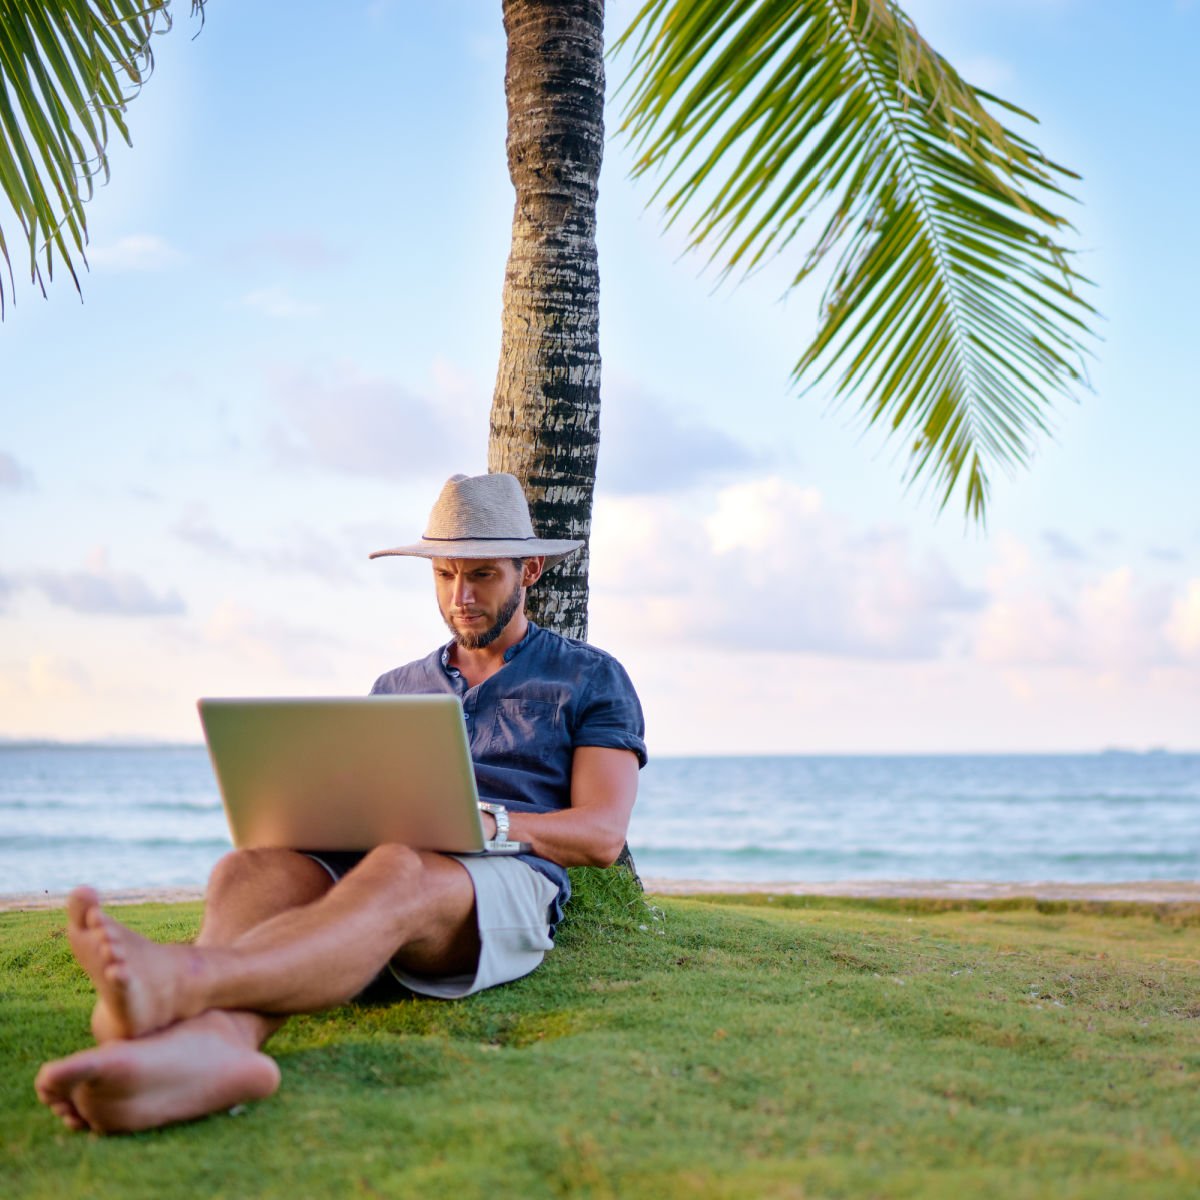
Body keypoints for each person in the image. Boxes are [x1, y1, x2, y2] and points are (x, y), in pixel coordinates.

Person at [34, 472, 646, 1134]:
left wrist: (491, 823)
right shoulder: (396, 686)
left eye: (481, 576)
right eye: (443, 576)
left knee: (399, 868)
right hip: (380, 865)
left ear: (528, 570)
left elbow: (602, 836)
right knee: (247, 869)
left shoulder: (590, 677)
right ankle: (208, 1056)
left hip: (498, 880)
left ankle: (182, 981)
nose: (460, 597)